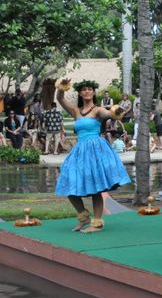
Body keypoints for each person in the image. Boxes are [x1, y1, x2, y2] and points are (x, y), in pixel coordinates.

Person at [54, 79, 131, 233]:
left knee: (96, 187)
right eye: (84, 89)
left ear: (94, 92)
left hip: (96, 150)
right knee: (69, 182)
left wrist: (115, 112)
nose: (87, 91)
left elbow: (110, 114)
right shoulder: (76, 111)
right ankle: (83, 216)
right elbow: (60, 98)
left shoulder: (98, 110)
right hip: (80, 151)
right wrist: (62, 86)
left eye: (90, 89)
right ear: (80, 93)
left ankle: (97, 224)